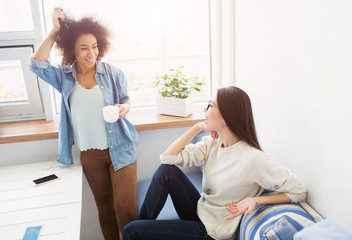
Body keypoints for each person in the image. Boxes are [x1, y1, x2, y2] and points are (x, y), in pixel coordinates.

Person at [122, 86, 307, 240]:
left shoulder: (253, 158)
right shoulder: (213, 144)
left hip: (213, 232)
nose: (205, 110)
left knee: (131, 231)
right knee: (165, 171)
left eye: (210, 105)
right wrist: (196, 128)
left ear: (226, 117)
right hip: (201, 212)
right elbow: (167, 158)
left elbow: (298, 191)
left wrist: (255, 200)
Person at [29, 8, 139, 240]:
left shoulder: (113, 73)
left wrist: (124, 109)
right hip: (90, 153)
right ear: (72, 50)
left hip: (121, 148)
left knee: (126, 213)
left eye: (95, 45)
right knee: (106, 211)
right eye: (84, 47)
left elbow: (126, 100)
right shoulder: (64, 77)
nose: (92, 52)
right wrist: (54, 32)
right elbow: (36, 65)